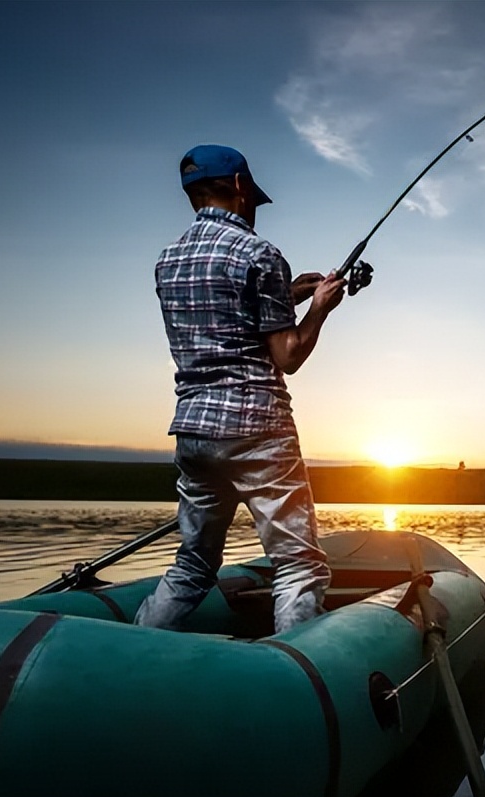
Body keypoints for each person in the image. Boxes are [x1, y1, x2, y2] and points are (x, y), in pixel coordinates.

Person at [135, 144, 346, 634]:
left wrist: (287, 294)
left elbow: (220, 316)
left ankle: (133, 647)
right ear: (238, 186)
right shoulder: (259, 254)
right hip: (257, 429)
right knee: (298, 564)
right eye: (252, 195)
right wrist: (319, 308)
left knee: (193, 565)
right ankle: (295, 666)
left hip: (193, 431)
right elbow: (288, 355)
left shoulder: (168, 261)